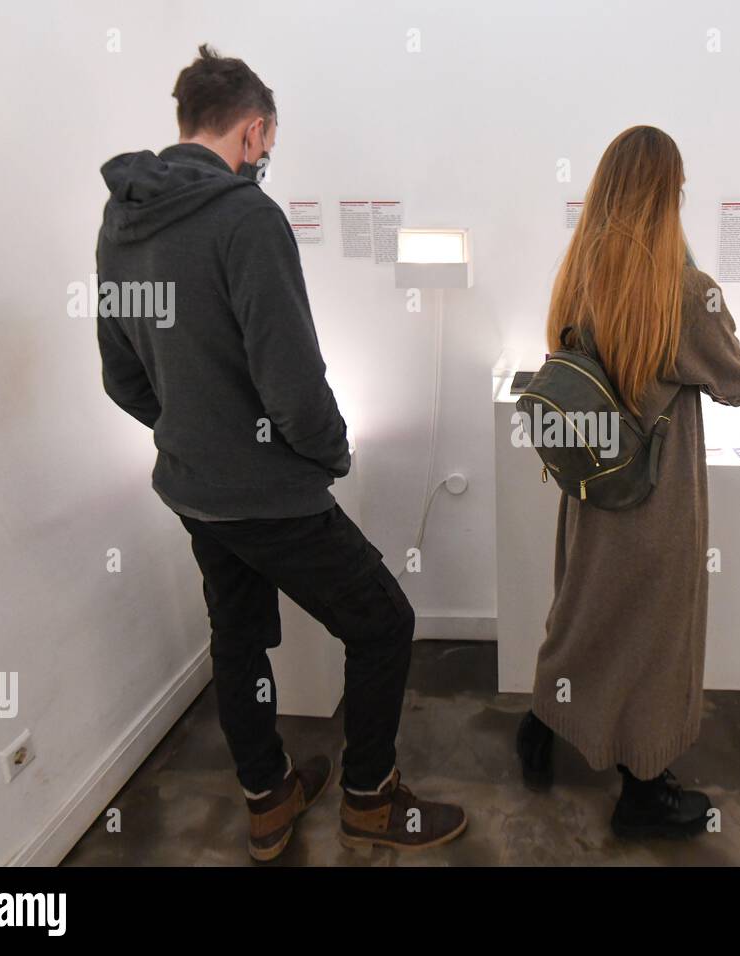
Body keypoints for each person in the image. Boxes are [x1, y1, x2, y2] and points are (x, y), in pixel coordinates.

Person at [95, 44, 466, 860]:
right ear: (255, 129)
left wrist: (192, 429)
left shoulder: (122, 218)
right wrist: (327, 453)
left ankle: (267, 799)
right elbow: (292, 380)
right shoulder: (245, 217)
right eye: (268, 143)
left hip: (193, 489)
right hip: (269, 493)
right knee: (383, 622)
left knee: (236, 638)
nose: (265, 157)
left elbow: (122, 376)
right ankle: (369, 798)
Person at [516, 125, 740, 838]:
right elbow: (738, 383)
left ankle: (541, 727)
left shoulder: (577, 276)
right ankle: (644, 790)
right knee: (657, 642)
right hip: (658, 502)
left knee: (579, 616)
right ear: (667, 197)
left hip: (592, 491)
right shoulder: (687, 292)